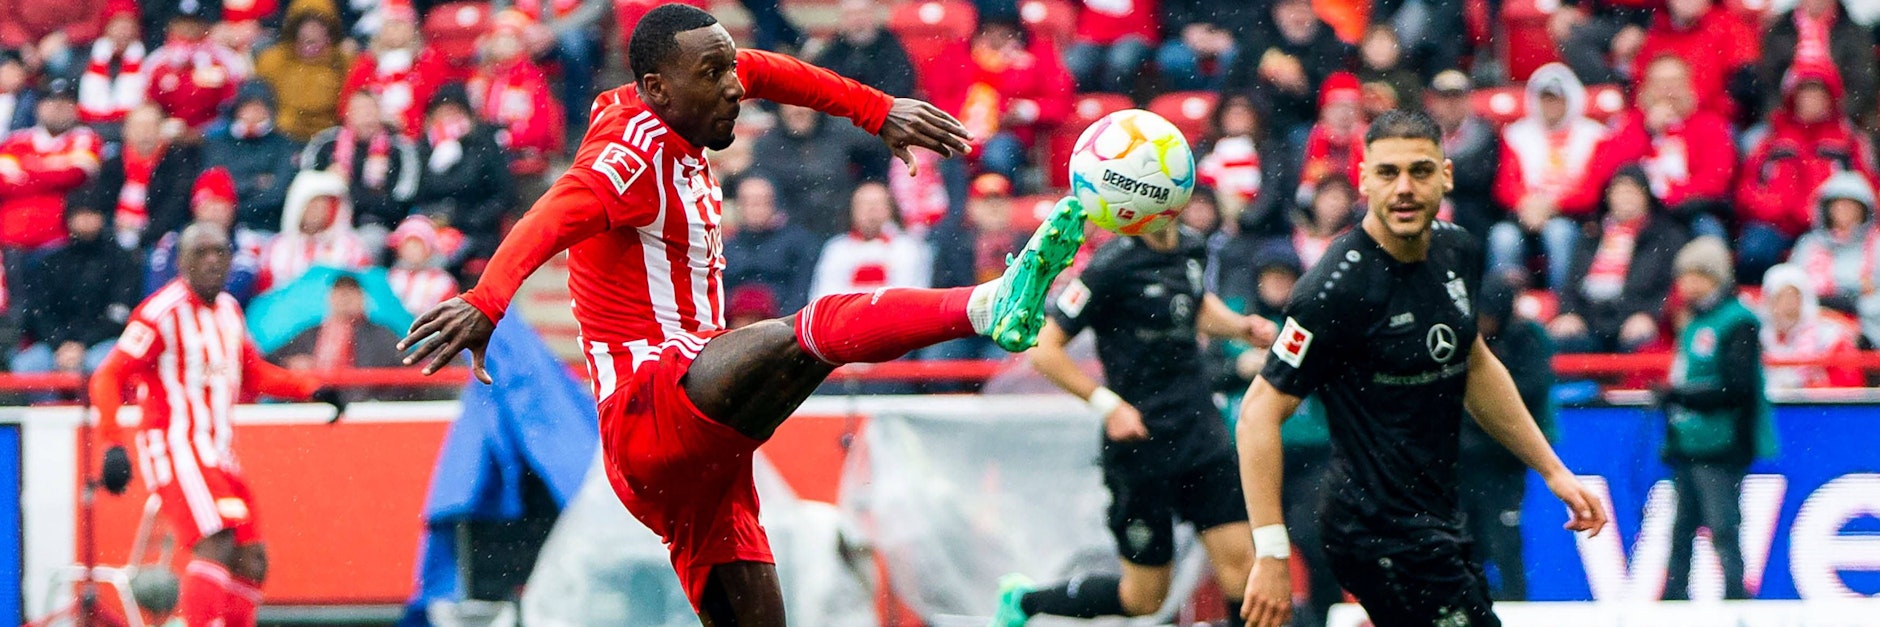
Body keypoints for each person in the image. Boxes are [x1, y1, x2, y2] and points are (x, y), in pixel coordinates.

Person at [395, 7, 1073, 624]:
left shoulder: (688, 90)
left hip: (703, 455)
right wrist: (486, 300)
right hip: (650, 409)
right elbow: (554, 213)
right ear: (658, 88)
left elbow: (769, 69)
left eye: (727, 68)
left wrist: (876, 109)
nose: (733, 89)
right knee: (812, 331)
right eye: (712, 76)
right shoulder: (626, 156)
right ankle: (988, 301)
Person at [1234, 110, 1608, 627]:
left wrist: (1553, 470)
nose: (1404, 188)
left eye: (1420, 171)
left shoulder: (1459, 251)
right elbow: (1257, 414)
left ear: (1446, 176)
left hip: (1437, 519)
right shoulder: (1333, 289)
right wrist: (1272, 554)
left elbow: (1475, 364)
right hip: (1373, 530)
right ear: (1364, 179)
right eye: (1387, 173)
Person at [991, 214, 1276, 627]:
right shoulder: (1111, 267)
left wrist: (1239, 327)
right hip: (1140, 447)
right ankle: (1026, 601)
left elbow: (1191, 305)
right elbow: (1045, 348)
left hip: (1200, 435)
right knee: (1144, 597)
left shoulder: (1192, 246)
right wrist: (1110, 406)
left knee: (1243, 569)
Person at [91, 221, 343, 627]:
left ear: (231, 260)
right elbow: (107, 375)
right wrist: (112, 443)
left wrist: (311, 388)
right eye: (200, 253)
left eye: (219, 253)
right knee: (217, 542)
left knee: (252, 559)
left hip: (218, 453)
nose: (211, 262)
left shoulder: (228, 310)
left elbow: (253, 372)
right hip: (176, 449)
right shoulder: (160, 313)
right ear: (181, 262)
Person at [1652, 236, 1776, 601]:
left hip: (1723, 442)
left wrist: (1681, 395)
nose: (1685, 284)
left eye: (1693, 276)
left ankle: (1736, 597)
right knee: (1682, 528)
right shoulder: (1694, 321)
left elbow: (1737, 388)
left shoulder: (1738, 321)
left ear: (1713, 277)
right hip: (1690, 439)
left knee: (1723, 526)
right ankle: (1674, 598)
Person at [1558, 56, 1735, 240]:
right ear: (1646, 88)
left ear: (1689, 86)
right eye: (1661, 84)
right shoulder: (1629, 124)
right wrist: (1646, 131)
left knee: (1708, 228)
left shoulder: (1711, 126)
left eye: (1675, 83)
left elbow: (1716, 180)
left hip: (1686, 211)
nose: (1668, 93)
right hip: (1633, 212)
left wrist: (1667, 200)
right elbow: (1606, 172)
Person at [1458, 275, 1556, 601]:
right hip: (1465, 461)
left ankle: (1515, 606)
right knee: (1465, 541)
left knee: (1504, 540)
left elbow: (1532, 389)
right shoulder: (1463, 340)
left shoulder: (1524, 338)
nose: (1483, 323)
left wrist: (1485, 403)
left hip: (1505, 461)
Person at [1735, 63, 1878, 282]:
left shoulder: (1849, 140)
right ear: (1792, 97)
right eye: (1805, 92)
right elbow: (1747, 187)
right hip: (1778, 225)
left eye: (1818, 93)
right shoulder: (1770, 138)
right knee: (1754, 252)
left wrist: (1837, 213)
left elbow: (1868, 189)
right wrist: (1776, 206)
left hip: (1832, 227)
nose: (1811, 99)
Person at [1489, 63, 1611, 289]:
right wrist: (1525, 203)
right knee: (1502, 236)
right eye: (1545, 98)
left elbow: (1593, 189)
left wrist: (1553, 205)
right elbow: (1506, 184)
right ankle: (1504, 302)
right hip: (1526, 216)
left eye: (1557, 99)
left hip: (1573, 218)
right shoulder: (1517, 134)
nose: (1551, 105)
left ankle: (1562, 301)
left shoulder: (1595, 135)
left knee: (1559, 234)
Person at [1549, 166, 1689, 354]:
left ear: (1646, 197)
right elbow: (1570, 283)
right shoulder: (1591, 235)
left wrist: (1650, 315)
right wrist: (1568, 314)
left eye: (1632, 192)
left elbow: (1669, 287)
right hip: (1588, 319)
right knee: (1560, 340)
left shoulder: (1665, 237)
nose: (1626, 198)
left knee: (1641, 342)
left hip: (1635, 319)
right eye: (1620, 191)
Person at [10, 202, 141, 375]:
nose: (86, 220)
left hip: (103, 342)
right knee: (26, 365)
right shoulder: (52, 262)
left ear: (102, 217)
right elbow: (39, 311)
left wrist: (83, 344)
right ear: (69, 219)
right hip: (56, 345)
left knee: (99, 365)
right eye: (80, 214)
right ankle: (46, 404)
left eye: (91, 213)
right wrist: (60, 343)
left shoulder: (122, 261)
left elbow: (119, 314)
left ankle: (97, 403)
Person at [410, 83, 515, 276]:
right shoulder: (421, 149)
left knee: (437, 259)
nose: (447, 119)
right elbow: (414, 192)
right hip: (428, 226)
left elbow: (504, 195)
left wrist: (470, 220)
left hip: (474, 230)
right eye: (442, 113)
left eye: (454, 112)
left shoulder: (483, 145)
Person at [1223, 0, 1353, 152]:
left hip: (1308, 120)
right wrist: (1265, 76)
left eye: (1304, 8)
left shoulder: (1327, 42)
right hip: (1262, 121)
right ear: (1276, 12)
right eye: (1291, 8)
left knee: (1302, 138)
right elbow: (1235, 86)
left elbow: (1336, 90)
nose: (1298, 16)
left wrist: (1302, 84)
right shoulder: (1257, 39)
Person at [749, 103, 889, 237]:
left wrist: (867, 187)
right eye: (789, 103)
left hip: (843, 228)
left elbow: (878, 152)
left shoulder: (841, 132)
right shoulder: (766, 147)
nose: (798, 110)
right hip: (790, 237)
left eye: (803, 102)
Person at [78, 103, 202, 248]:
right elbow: (101, 203)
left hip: (160, 240)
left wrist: (144, 233)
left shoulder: (177, 163)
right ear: (126, 131)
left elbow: (175, 206)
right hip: (114, 240)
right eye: (138, 126)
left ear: (161, 129)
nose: (144, 132)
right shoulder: (113, 165)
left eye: (150, 126)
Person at [301, 91, 420, 241]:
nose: (366, 117)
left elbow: (398, 205)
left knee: (368, 240)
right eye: (359, 110)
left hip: (373, 225)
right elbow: (303, 187)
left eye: (371, 110)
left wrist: (346, 186)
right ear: (347, 114)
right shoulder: (326, 143)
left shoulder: (399, 148)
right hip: (324, 224)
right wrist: (326, 179)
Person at [0, 79, 100, 251]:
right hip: (10, 239)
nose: (57, 107)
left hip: (58, 240)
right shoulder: (16, 140)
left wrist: (25, 172)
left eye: (65, 101)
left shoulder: (84, 138)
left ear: (75, 107)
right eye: (50, 101)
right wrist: (51, 169)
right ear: (38, 106)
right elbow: (2, 183)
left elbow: (76, 175)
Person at [1785, 171, 1880, 345]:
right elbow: (1791, 286)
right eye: (1838, 205)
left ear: (1864, 210)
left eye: (1851, 206)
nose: (1844, 211)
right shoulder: (1808, 244)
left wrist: (1856, 305)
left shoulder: (1876, 245)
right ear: (1826, 209)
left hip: (1867, 331)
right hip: (1815, 323)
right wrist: (1821, 304)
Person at [144, 167, 265, 302]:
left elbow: (239, 287)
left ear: (232, 209)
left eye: (220, 205)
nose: (214, 212)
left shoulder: (246, 242)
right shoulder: (172, 241)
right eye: (208, 205)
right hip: (176, 312)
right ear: (195, 208)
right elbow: (156, 287)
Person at [469, 10, 564, 178]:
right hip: (496, 149)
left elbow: (540, 122)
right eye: (499, 40)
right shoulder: (486, 77)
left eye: (509, 40)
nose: (503, 46)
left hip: (523, 151)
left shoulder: (530, 78)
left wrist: (511, 138)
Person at [1630, 0, 1758, 123]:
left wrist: (1715, 112)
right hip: (1653, 119)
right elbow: (1639, 86)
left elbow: (1743, 81)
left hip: (1713, 121)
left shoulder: (1728, 28)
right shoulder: (1650, 33)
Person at [338, 0, 448, 137]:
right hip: (370, 137)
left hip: (418, 137)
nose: (396, 30)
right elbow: (348, 104)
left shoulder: (430, 61)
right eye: (391, 25)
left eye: (401, 24)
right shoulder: (366, 64)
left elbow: (439, 100)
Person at [1759, 0, 1876, 126]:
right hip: (1786, 116)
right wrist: (1780, 113)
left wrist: (1838, 112)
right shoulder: (1778, 30)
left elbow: (1863, 82)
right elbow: (1767, 79)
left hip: (1839, 118)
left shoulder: (1854, 34)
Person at [203, 83, 300, 234]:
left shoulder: (284, 145)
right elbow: (212, 184)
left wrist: (235, 193)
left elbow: (277, 193)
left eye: (260, 107)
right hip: (221, 226)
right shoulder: (218, 143)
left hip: (265, 227)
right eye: (247, 107)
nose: (253, 113)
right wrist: (254, 183)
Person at [808, 182, 930, 299]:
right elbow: (824, 296)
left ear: (890, 209)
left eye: (877, 204)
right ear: (852, 210)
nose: (871, 210)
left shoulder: (907, 248)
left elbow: (910, 295)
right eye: (864, 204)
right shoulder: (836, 249)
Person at [258, 169, 372, 292]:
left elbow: (362, 289)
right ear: (297, 206)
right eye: (312, 204)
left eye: (324, 205)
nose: (318, 211)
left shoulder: (351, 246)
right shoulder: (277, 247)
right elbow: (266, 294)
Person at [723, 176, 820, 314]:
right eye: (747, 201)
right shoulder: (726, 245)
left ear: (775, 203)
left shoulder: (798, 243)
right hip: (732, 327)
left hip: (781, 325)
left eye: (761, 201)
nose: (754, 208)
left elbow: (801, 291)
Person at [254, 7, 353, 142]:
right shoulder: (273, 60)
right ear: (294, 32)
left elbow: (350, 102)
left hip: (328, 138)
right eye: (304, 28)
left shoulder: (343, 62)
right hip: (281, 137)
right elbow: (258, 97)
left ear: (329, 34)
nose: (311, 33)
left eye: (318, 27)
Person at [142, 4, 247, 130]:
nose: (189, 28)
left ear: (205, 25)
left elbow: (236, 96)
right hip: (171, 130)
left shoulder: (225, 57)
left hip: (214, 130)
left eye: (194, 23)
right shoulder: (157, 60)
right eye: (183, 23)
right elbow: (148, 100)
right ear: (172, 25)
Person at [1758, 263, 1862, 389]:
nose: (1787, 305)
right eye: (1779, 298)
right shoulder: (1758, 337)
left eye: (1793, 297)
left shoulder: (1830, 338)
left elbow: (1848, 387)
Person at [1425, 70, 1500, 241]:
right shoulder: (1422, 133)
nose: (1452, 104)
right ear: (1433, 101)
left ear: (1468, 100)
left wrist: (1437, 175)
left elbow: (1480, 177)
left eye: (1457, 97)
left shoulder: (1485, 133)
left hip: (1472, 211)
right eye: (1445, 97)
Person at [811, 0, 916, 98]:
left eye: (862, 13)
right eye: (851, 14)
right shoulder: (831, 53)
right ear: (842, 19)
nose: (857, 19)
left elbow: (901, 85)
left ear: (874, 15)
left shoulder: (893, 48)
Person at [74, 0, 146, 132]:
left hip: (130, 128)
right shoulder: (88, 56)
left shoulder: (146, 58)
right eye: (118, 24)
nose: (123, 31)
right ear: (107, 26)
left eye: (128, 24)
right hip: (91, 125)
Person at [1064, 0, 1158, 96]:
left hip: (1135, 34)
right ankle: (1088, 101)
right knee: (1075, 65)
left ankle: (1121, 102)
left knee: (1121, 62)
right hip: (1091, 36)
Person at [385, 215, 459, 316]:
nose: (412, 251)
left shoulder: (443, 282)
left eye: (417, 246)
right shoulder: (391, 277)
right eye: (407, 246)